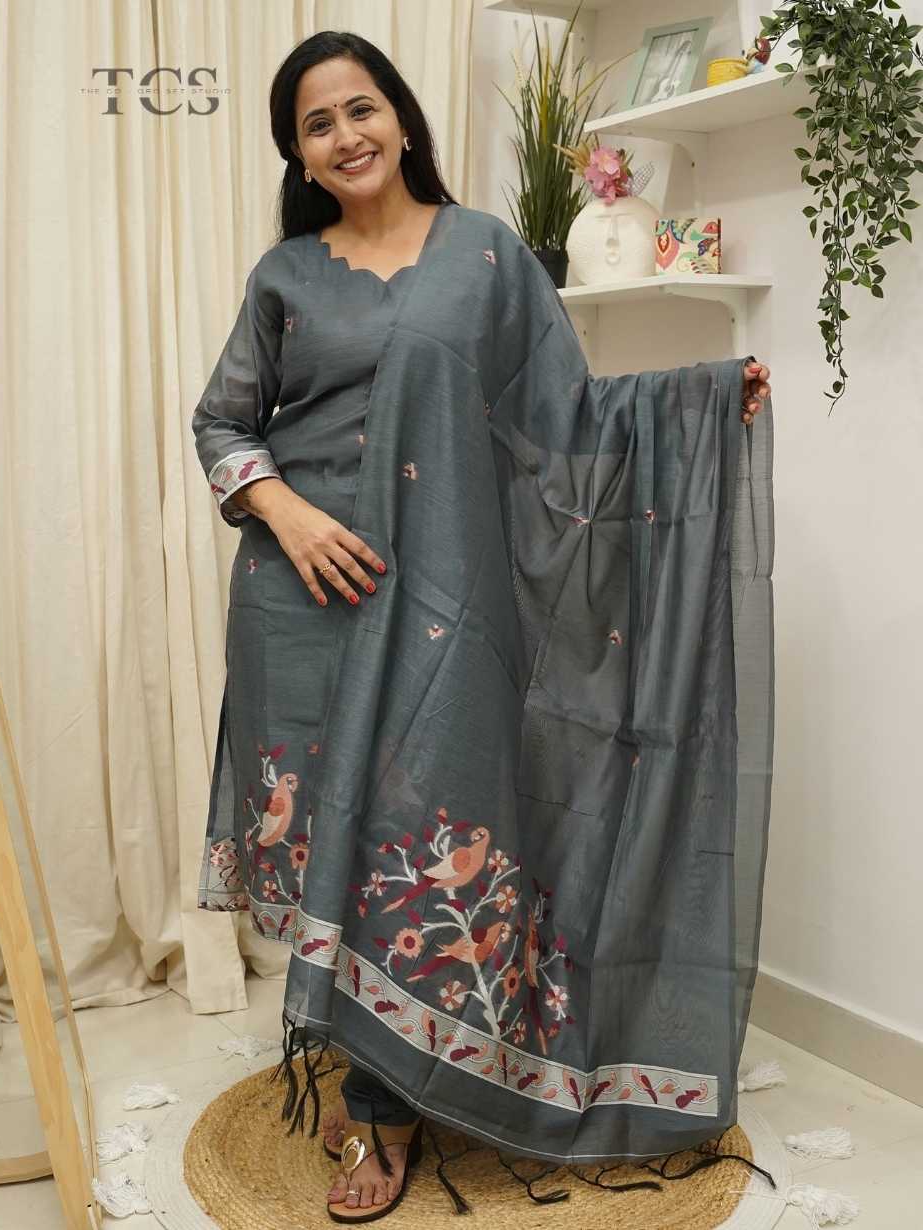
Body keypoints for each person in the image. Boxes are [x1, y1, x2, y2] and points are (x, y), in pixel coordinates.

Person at [192, 29, 772, 1223]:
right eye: (317, 124)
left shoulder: (489, 256)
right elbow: (223, 424)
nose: (346, 136)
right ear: (298, 153)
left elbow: (566, 415)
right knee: (342, 853)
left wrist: (700, 400)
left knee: (426, 845)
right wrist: (286, 513)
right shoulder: (286, 276)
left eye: (361, 109)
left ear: (401, 118)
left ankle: (421, 1085)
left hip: (445, 611)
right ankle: (377, 1101)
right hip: (301, 608)